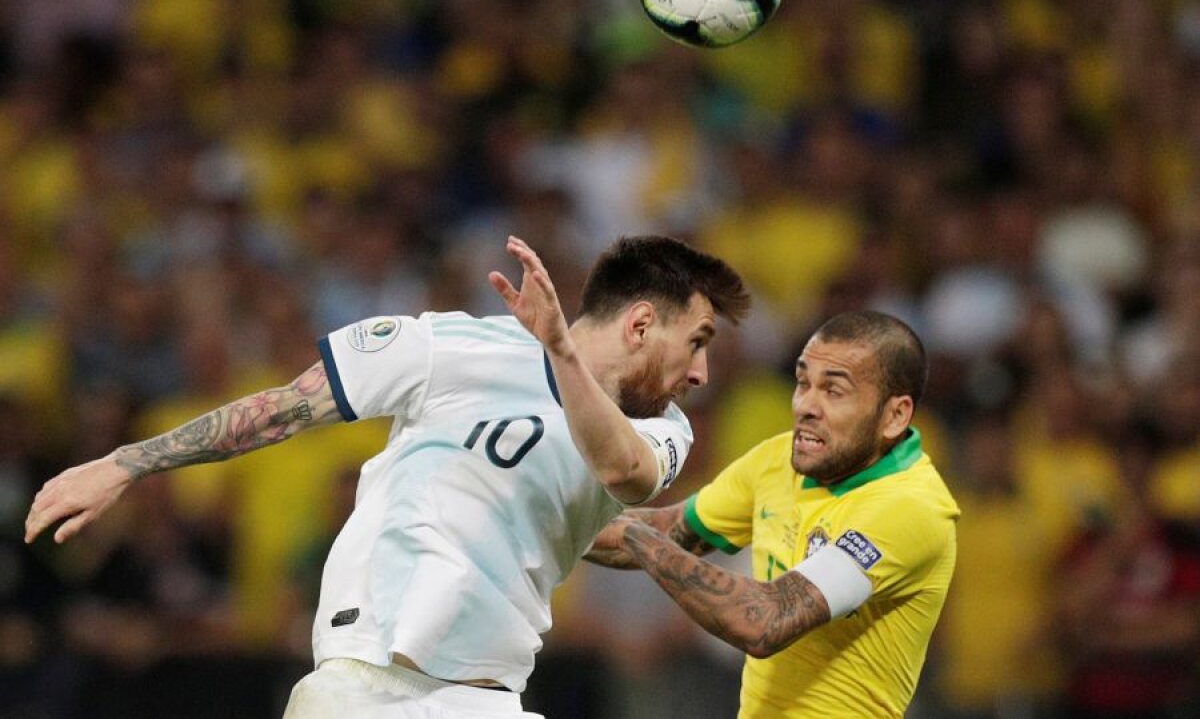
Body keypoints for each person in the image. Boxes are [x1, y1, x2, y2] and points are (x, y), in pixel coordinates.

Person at [25, 234, 750, 719]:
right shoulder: (449, 344)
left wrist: (561, 358)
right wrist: (125, 462)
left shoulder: (663, 430)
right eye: (698, 341)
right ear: (641, 323)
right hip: (370, 681)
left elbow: (620, 475)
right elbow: (284, 409)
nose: (701, 372)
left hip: (489, 695)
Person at [586, 310, 960, 718]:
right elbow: (669, 530)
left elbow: (765, 620)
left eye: (834, 392)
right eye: (803, 383)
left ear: (895, 415)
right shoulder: (779, 460)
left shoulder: (909, 507)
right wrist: (531, 515)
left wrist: (634, 538)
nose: (806, 406)